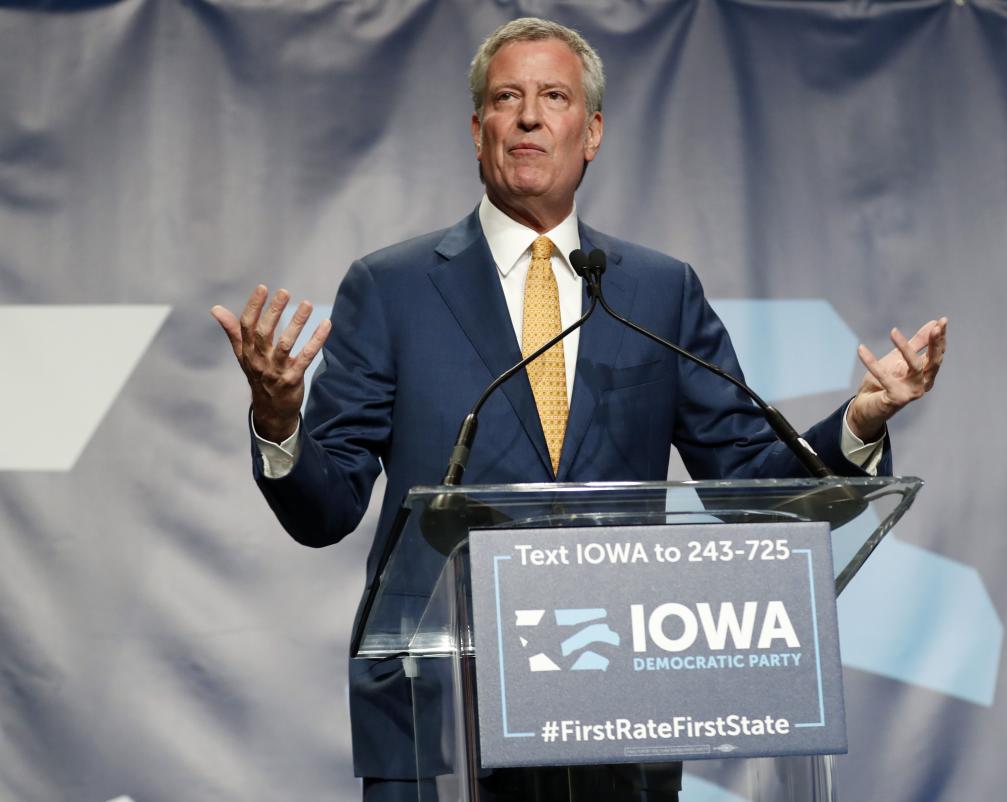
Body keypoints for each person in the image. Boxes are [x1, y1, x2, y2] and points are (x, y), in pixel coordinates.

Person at [211, 17, 946, 802]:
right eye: (507, 98)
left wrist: (861, 422)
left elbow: (753, 484)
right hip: (440, 717)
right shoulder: (390, 289)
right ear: (477, 128)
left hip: (614, 716)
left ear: (590, 131)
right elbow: (323, 510)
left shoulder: (655, 293)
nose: (529, 116)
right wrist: (282, 420)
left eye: (553, 96)